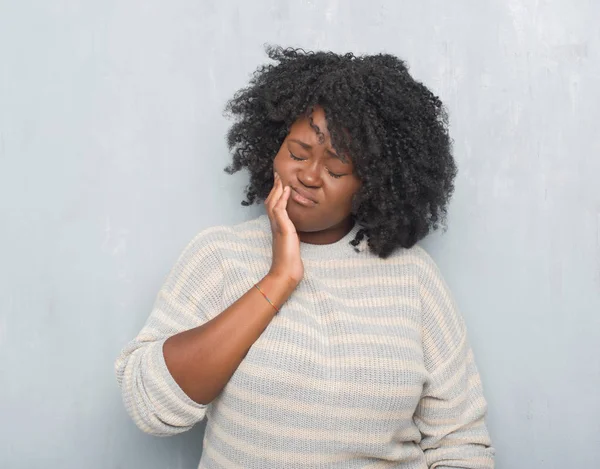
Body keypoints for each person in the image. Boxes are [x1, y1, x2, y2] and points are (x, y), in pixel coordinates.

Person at [115, 46, 495, 469]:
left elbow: (459, 440)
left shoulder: (414, 277)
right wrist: (279, 279)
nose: (308, 176)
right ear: (271, 148)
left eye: (335, 170)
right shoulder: (220, 257)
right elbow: (149, 404)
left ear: (373, 185)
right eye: (297, 153)